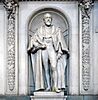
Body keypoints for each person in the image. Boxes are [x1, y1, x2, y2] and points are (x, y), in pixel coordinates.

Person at [28, 13, 69, 93]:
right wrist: (39, 46)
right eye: (46, 18)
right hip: (44, 49)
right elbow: (33, 40)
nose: (48, 19)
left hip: (52, 48)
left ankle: (55, 86)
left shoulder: (56, 29)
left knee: (54, 67)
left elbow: (61, 41)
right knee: (46, 69)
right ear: (43, 20)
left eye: (50, 18)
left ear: (51, 19)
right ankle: (48, 87)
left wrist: (60, 52)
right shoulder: (40, 30)